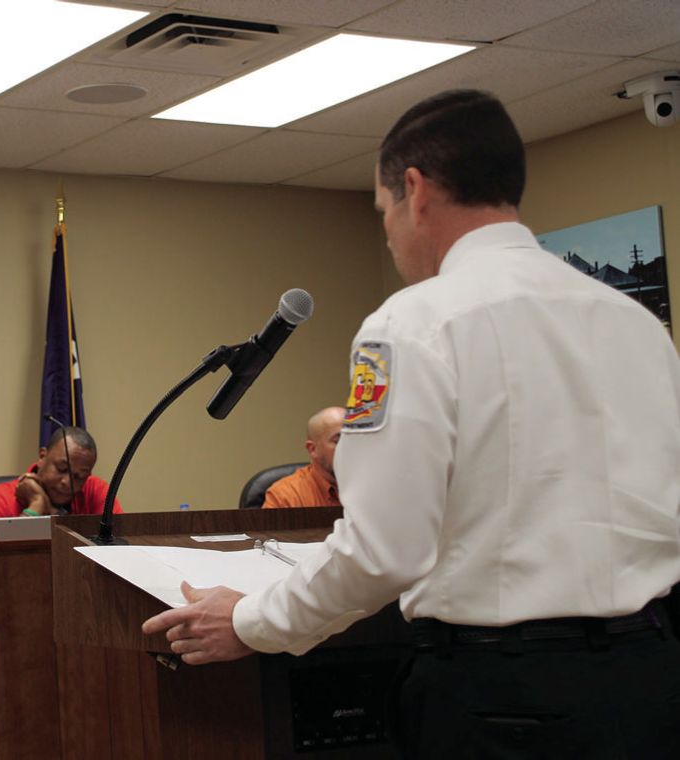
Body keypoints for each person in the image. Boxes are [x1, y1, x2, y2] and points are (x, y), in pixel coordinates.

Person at [142, 90, 680, 757]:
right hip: (652, 679)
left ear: (416, 191)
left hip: (507, 701)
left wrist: (252, 620)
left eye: (383, 210)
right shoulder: (636, 324)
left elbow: (384, 548)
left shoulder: (408, 324)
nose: (389, 232)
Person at [0, 426, 123, 517]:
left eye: (79, 477)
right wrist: (36, 505)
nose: (67, 483)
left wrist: (52, 511)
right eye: (61, 469)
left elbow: (118, 546)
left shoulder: (96, 491)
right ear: (42, 456)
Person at [262, 406, 344, 508]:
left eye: (354, 441)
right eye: (338, 441)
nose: (350, 448)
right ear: (312, 449)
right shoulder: (286, 496)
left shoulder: (368, 487)